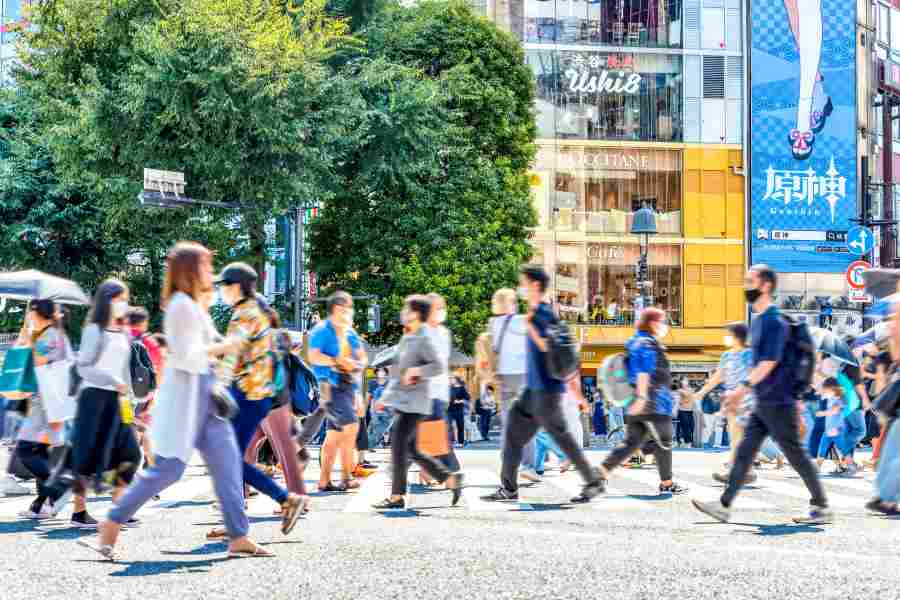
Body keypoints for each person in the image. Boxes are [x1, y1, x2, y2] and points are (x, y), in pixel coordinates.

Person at [79, 242, 272, 560]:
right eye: (206, 266)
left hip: (205, 392)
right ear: (192, 270)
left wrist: (232, 345)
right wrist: (227, 347)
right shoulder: (181, 305)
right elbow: (185, 356)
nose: (211, 272)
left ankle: (239, 535)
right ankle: (111, 522)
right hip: (190, 395)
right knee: (170, 469)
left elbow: (211, 346)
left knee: (227, 462)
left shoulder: (193, 305)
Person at [692, 264, 831, 524]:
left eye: (750, 281)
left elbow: (769, 362)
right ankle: (723, 505)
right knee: (745, 452)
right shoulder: (758, 321)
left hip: (778, 400)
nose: (745, 286)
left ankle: (821, 506)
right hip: (764, 400)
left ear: (765, 286)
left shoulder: (773, 321)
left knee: (795, 455)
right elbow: (757, 363)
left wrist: (740, 390)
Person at [483, 266, 604, 504]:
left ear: (535, 286)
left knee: (564, 440)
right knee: (513, 435)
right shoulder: (537, 313)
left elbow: (552, 349)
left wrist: (532, 329)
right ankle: (508, 488)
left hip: (546, 392)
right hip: (533, 390)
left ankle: (594, 482)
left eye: (524, 283)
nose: (521, 288)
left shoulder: (542, 315)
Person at [214, 263, 306, 530]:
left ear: (236, 286)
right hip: (259, 394)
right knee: (238, 454)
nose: (221, 291)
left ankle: (286, 499)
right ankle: (239, 513)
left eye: (224, 285)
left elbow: (232, 353)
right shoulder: (255, 314)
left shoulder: (246, 313)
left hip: (252, 394)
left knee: (232, 456)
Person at [372, 295, 463, 510]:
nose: (403, 312)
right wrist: (385, 398)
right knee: (412, 449)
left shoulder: (425, 337)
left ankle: (397, 497)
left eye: (407, 309)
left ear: (416, 313)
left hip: (417, 402)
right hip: (405, 402)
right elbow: (398, 374)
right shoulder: (408, 337)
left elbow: (438, 366)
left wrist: (417, 371)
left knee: (399, 446)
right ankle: (449, 478)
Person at [69, 279, 142, 524]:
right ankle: (79, 511)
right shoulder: (94, 330)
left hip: (118, 400)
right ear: (107, 300)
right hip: (94, 398)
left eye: (125, 300)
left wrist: (129, 398)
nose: (124, 304)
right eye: (120, 299)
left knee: (130, 453)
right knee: (87, 455)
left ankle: (118, 509)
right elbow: (83, 367)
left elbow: (124, 369)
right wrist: (111, 380)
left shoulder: (123, 331)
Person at [594, 308, 688, 495]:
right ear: (653, 323)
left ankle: (600, 473)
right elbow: (644, 372)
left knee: (631, 442)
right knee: (664, 441)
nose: (665, 326)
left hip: (638, 402)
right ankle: (667, 483)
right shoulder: (647, 344)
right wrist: (643, 397)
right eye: (662, 321)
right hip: (654, 402)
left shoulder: (635, 342)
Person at [11, 300, 88, 523]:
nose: (28, 316)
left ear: (38, 313)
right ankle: (40, 504)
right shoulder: (48, 334)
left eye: (30, 311)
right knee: (40, 452)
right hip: (44, 401)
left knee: (26, 450)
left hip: (47, 402)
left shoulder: (50, 336)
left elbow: (38, 364)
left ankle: (60, 487)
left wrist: (27, 339)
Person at [308, 291, 368, 492]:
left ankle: (324, 481)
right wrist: (337, 361)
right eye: (345, 310)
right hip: (329, 386)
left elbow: (362, 358)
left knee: (334, 434)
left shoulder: (350, 333)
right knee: (350, 426)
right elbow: (313, 356)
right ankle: (346, 477)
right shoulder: (321, 330)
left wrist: (357, 390)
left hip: (347, 385)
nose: (348, 313)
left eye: (349, 309)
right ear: (335, 310)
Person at [696, 323, 757, 483]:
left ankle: (736, 471)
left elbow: (754, 376)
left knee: (737, 436)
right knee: (736, 436)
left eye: (728, 334)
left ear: (737, 336)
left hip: (745, 399)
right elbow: (718, 377)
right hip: (730, 400)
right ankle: (746, 471)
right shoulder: (726, 355)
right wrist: (701, 393)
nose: (726, 337)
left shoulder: (748, 354)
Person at [489, 288, 539, 481]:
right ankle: (528, 465)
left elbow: (494, 349)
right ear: (510, 304)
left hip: (503, 377)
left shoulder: (494, 323)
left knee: (508, 424)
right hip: (522, 376)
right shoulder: (520, 321)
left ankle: (508, 464)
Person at [814, 377, 846, 470]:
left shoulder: (840, 399)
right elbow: (820, 392)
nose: (824, 391)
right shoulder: (830, 397)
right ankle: (817, 467)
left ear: (832, 388)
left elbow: (834, 410)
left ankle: (848, 464)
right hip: (828, 430)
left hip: (837, 430)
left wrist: (822, 413)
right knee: (822, 448)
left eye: (826, 389)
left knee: (843, 449)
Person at [367, 369, 392, 449]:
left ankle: (381, 443)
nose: (380, 372)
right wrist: (366, 406)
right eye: (379, 371)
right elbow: (368, 396)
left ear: (386, 373)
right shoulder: (372, 383)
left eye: (382, 371)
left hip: (387, 410)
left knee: (384, 428)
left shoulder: (390, 383)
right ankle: (370, 444)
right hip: (375, 409)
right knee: (374, 427)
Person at [448, 376, 469, 447]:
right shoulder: (449, 388)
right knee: (449, 426)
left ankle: (461, 442)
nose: (451, 380)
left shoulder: (462, 388)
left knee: (460, 426)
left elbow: (467, 398)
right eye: (450, 379)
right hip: (450, 410)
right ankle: (450, 441)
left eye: (452, 379)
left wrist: (459, 401)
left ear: (456, 380)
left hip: (459, 410)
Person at [675, 380, 696, 448]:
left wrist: (686, 400)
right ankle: (686, 442)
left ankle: (687, 441)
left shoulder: (690, 390)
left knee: (691, 426)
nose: (685, 382)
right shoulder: (680, 390)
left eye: (686, 381)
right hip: (682, 411)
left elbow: (691, 397)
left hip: (690, 411)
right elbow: (686, 395)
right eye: (684, 381)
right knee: (685, 427)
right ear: (681, 383)